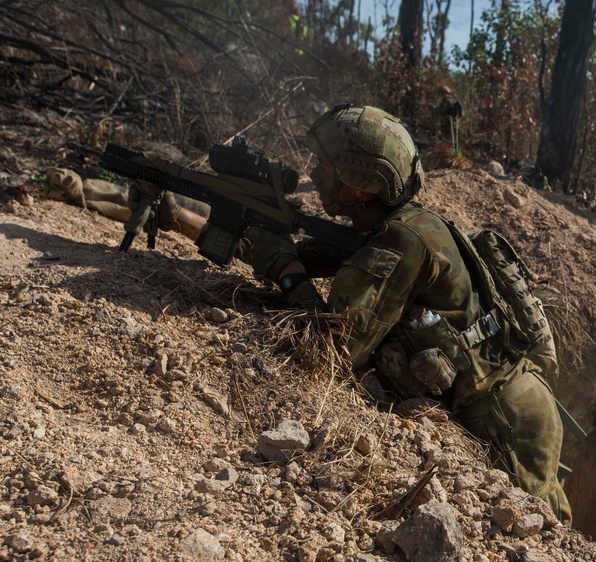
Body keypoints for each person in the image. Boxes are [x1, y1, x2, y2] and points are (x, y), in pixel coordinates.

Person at [154, 105, 572, 524]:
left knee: (543, 527)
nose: (313, 175)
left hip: (507, 418)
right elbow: (283, 251)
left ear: (362, 183)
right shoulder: (396, 224)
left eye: (326, 165)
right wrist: (181, 219)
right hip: (513, 406)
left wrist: (289, 278)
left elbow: (335, 350)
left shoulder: (402, 240)